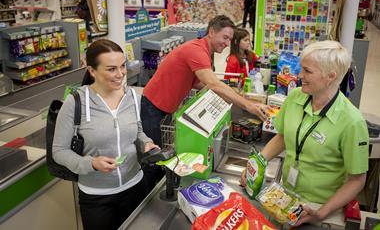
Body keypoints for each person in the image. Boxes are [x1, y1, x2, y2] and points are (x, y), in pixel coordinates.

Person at [141, 15, 270, 191]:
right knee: (154, 157)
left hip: (167, 107)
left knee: (163, 153)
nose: (227, 43)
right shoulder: (196, 50)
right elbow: (212, 83)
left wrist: (232, 95)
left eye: (230, 39)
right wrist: (249, 105)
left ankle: (160, 184)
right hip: (153, 106)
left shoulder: (204, 52)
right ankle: (149, 196)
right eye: (224, 37)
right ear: (211, 32)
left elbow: (199, 82)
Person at [247, 40, 369, 227]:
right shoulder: (296, 97)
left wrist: (321, 213)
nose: (299, 74)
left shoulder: (352, 122)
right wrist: (257, 164)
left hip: (320, 208)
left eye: (307, 71)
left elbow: (357, 180)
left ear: (330, 76)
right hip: (284, 198)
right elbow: (283, 137)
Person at [53, 39, 159, 230]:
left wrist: (146, 143)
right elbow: (59, 151)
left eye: (123, 66)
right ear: (92, 71)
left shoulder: (133, 97)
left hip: (135, 186)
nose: (120, 74)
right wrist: (90, 163)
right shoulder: (76, 102)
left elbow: (138, 132)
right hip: (96, 197)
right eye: (111, 69)